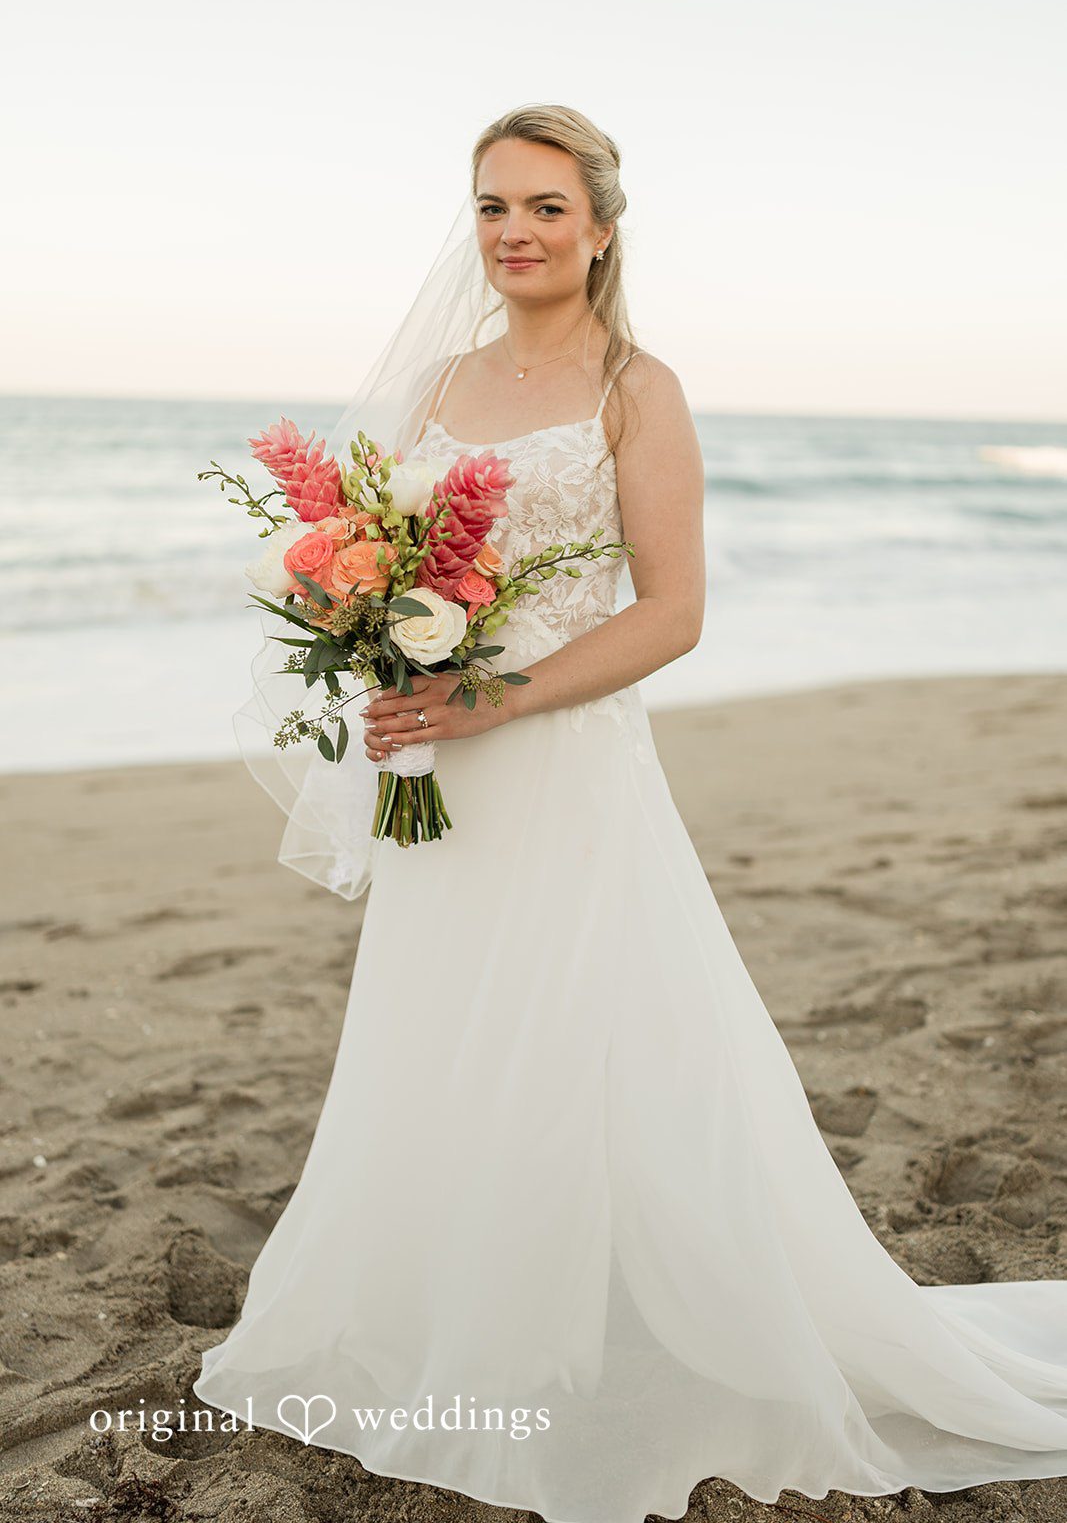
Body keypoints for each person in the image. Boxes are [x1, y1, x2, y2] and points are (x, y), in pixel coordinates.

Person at [194, 105, 1067, 1523]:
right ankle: (452, 1315)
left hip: (559, 753)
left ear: (601, 225)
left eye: (543, 206)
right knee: (445, 1027)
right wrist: (379, 653)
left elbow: (675, 611)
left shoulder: (636, 389)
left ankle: (593, 1337)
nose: (514, 232)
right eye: (491, 207)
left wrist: (501, 696)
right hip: (444, 764)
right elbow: (362, 551)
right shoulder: (430, 388)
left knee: (592, 1028)